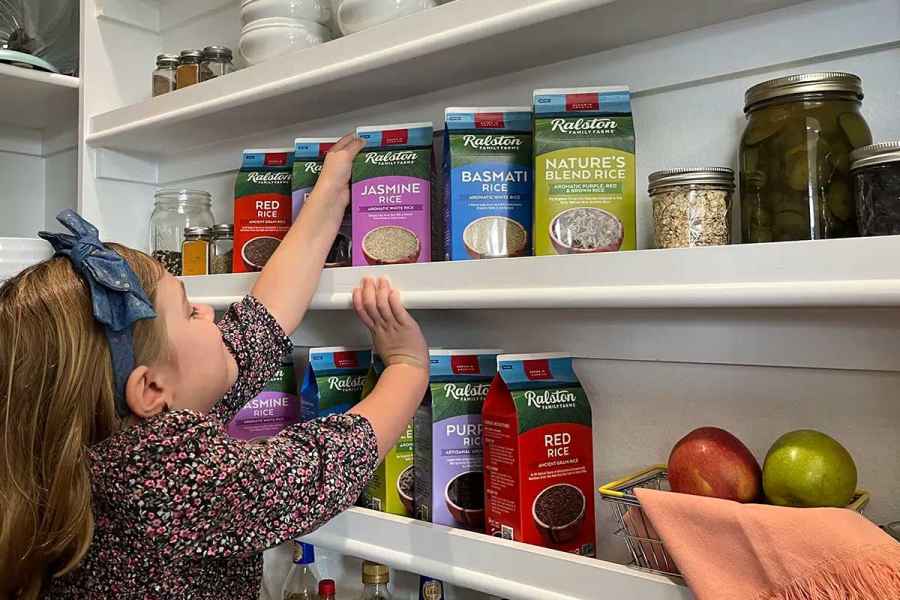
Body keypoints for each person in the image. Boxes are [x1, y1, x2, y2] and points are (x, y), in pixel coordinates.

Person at [0, 134, 430, 599]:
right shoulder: (168, 478)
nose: (208, 313)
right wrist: (407, 368)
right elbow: (322, 466)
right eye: (188, 312)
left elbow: (262, 321)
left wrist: (326, 194)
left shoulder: (104, 436)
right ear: (150, 390)